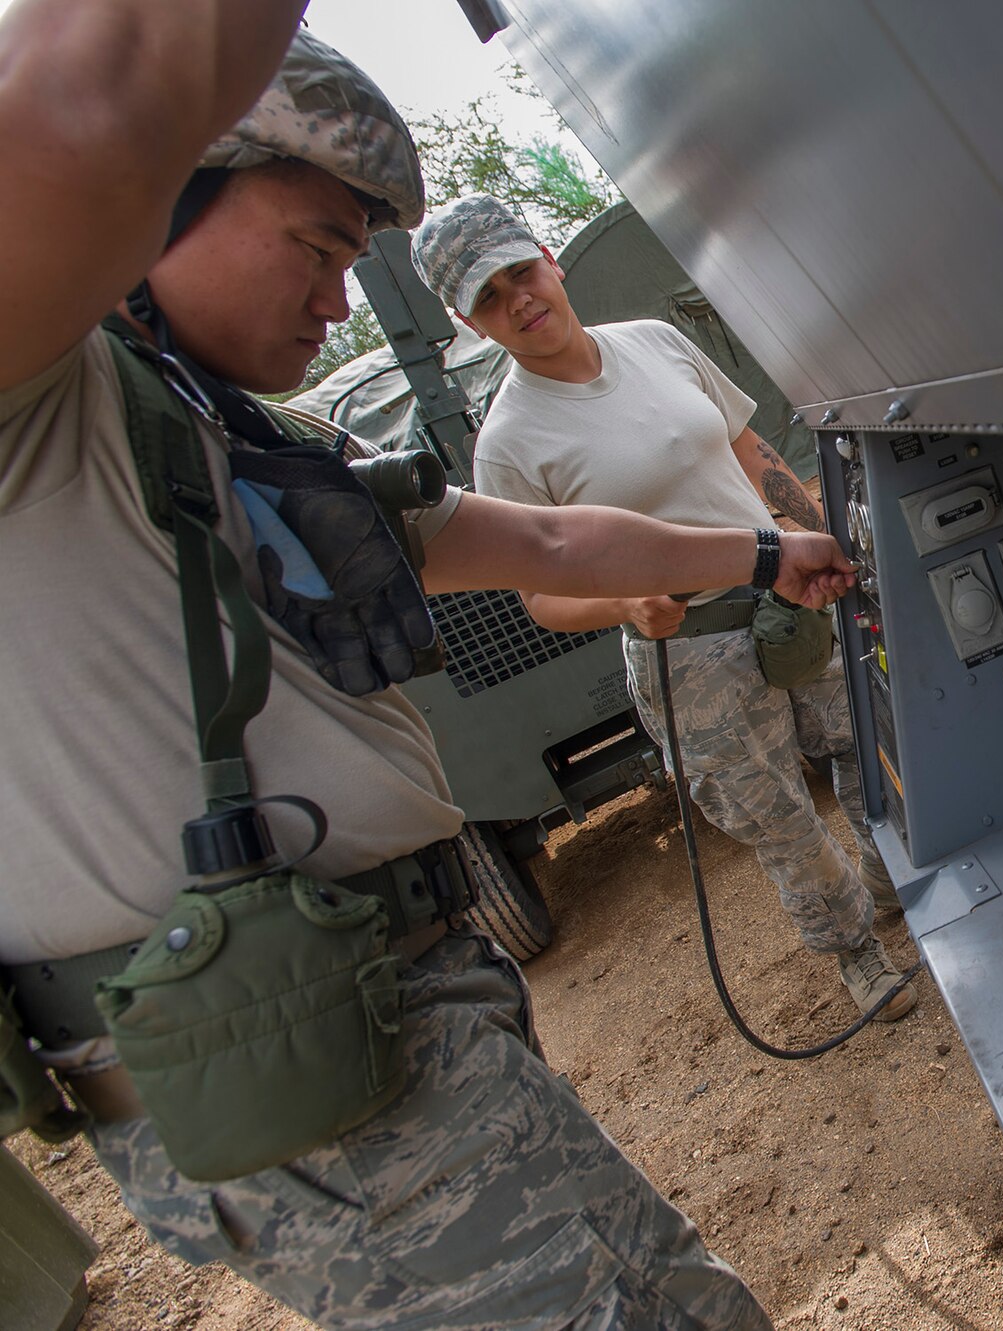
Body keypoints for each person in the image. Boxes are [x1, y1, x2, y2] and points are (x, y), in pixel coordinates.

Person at [0, 6, 849, 1326]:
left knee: (679, 1292)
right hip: (284, 1044)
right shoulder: (39, 408)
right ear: (157, 204)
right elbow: (83, 97)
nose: (338, 299)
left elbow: (552, 536)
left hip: (407, 1011)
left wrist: (756, 554)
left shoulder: (232, 439)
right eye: (318, 243)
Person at [411, 195, 919, 1025]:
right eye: (490, 300)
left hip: (787, 599)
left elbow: (749, 453)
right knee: (780, 820)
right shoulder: (508, 443)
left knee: (874, 740)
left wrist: (830, 541)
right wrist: (621, 602)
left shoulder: (653, 341)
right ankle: (856, 951)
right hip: (691, 652)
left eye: (521, 273)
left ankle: (886, 882)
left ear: (551, 257)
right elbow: (539, 596)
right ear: (470, 325)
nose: (519, 301)